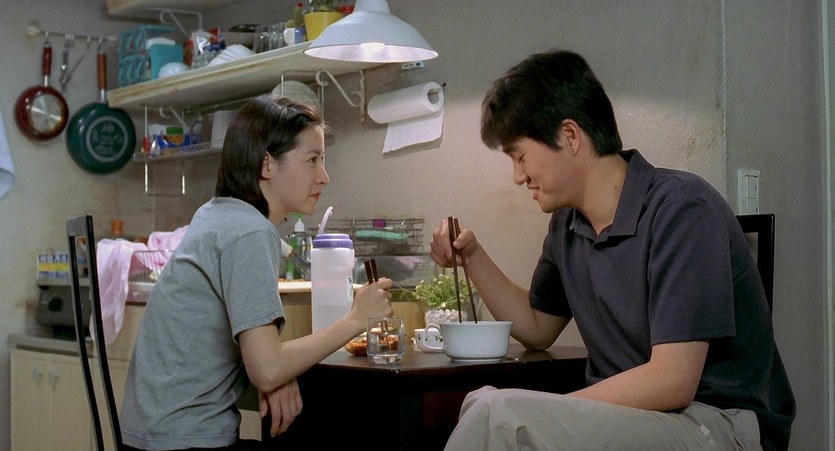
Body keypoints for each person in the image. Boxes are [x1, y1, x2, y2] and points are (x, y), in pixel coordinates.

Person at [430, 50, 795, 451]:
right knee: (485, 405)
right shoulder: (568, 225)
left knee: (499, 414)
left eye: (520, 157)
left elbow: (674, 380)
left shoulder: (683, 208)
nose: (518, 177)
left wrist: (552, 414)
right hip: (638, 418)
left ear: (569, 136)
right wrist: (473, 257)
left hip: (717, 421)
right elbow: (536, 327)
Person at [120, 95, 394, 450]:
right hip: (183, 441)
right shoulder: (248, 231)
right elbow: (267, 368)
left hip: (151, 436)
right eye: (312, 160)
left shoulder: (218, 213)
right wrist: (357, 318)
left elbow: (264, 364)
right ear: (267, 164)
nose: (324, 177)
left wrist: (279, 371)